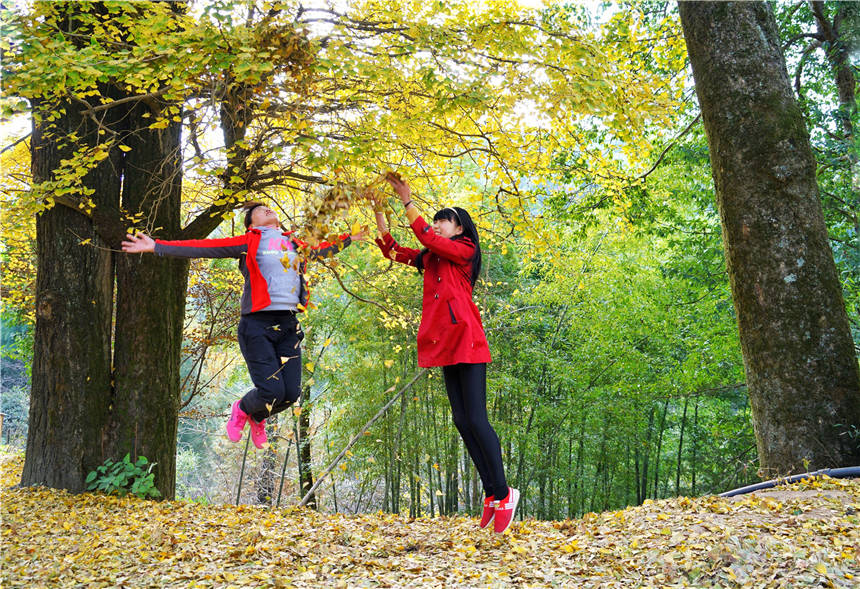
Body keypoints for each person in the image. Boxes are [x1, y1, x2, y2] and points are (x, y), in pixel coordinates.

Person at [121, 203, 365, 449]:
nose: (267, 209)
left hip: (288, 326)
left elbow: (322, 249)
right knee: (271, 391)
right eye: (260, 209)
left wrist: (350, 239)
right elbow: (204, 247)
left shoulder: (295, 243)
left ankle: (257, 416)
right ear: (252, 223)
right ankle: (242, 408)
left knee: (291, 394)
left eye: (269, 207)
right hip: (257, 326)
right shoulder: (248, 242)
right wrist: (157, 246)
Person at [370, 172, 519, 533]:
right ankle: (491, 495)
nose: (436, 224)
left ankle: (505, 492)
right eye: (435, 219)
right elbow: (394, 251)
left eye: (443, 220)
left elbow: (425, 238)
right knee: (461, 421)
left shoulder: (463, 251)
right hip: (445, 345)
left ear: (459, 228)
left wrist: (407, 199)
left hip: (467, 340)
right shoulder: (433, 257)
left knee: (478, 419)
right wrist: (379, 212)